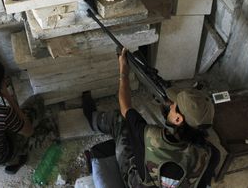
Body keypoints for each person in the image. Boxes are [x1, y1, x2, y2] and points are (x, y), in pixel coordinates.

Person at [82, 48, 216, 188]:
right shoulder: (210, 154)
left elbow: (125, 107)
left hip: (137, 183)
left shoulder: (152, 137)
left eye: (173, 106)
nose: (171, 106)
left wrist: (124, 71)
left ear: (178, 119)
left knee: (120, 120)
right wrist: (169, 113)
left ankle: (93, 120)